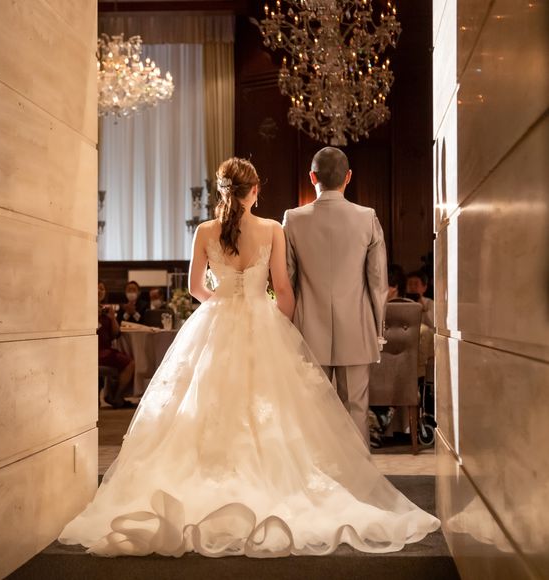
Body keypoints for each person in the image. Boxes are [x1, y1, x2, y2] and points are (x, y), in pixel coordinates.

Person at [59, 158, 439, 558]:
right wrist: (279, 328)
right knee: (273, 410)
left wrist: (223, 301)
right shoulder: (272, 228)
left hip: (215, 322)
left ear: (222, 191)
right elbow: (284, 291)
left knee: (204, 406)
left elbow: (195, 288)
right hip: (262, 322)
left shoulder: (205, 231)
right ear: (254, 191)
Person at [283, 147, 388, 446]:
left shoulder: (293, 219)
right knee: (356, 409)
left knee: (312, 412)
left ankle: (316, 472)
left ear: (312, 177)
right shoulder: (367, 218)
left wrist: (285, 329)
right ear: (349, 177)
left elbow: (287, 279)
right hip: (356, 328)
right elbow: (378, 281)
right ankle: (358, 473)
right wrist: (378, 329)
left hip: (307, 330)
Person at [97, 281, 136, 409]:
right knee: (129, 363)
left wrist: (112, 317)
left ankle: (116, 395)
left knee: (130, 363)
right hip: (94, 350)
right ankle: (115, 397)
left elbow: (115, 334)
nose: (99, 291)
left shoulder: (106, 309)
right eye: (97, 288)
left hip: (105, 350)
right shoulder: (86, 310)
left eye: (102, 289)